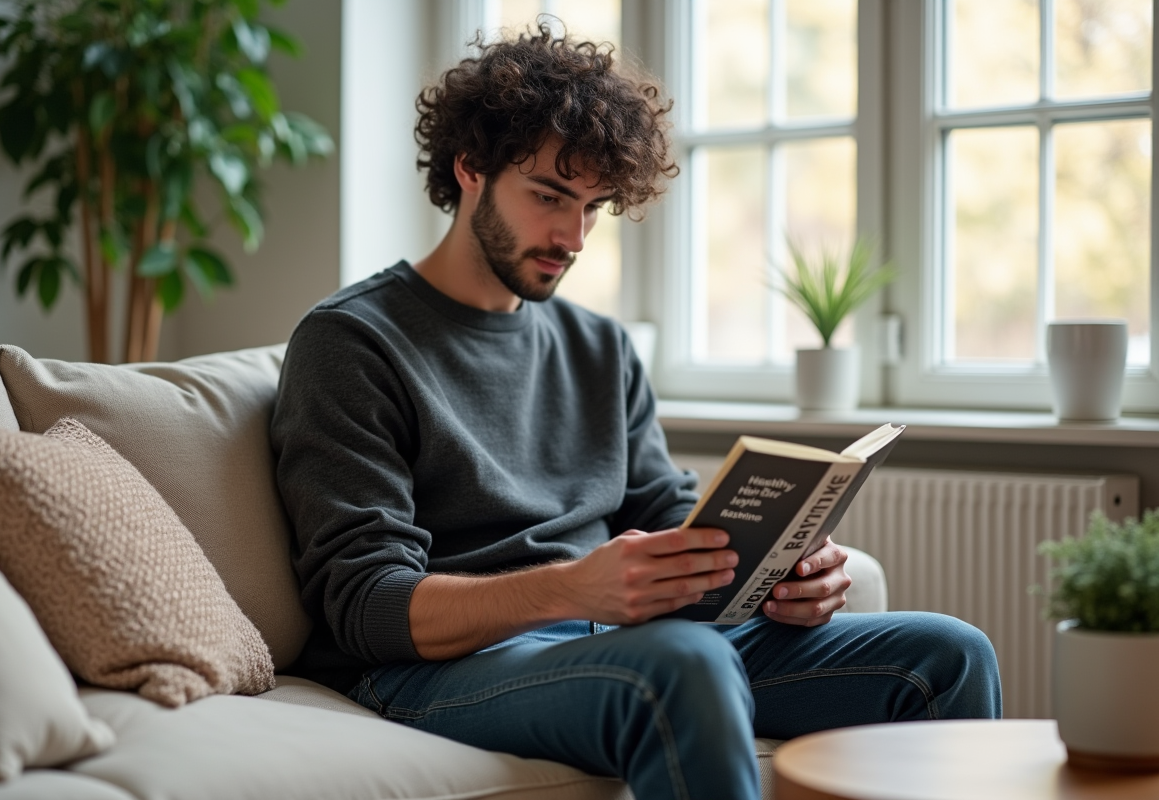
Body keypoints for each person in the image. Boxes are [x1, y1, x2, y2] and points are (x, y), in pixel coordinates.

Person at [271, 25, 1001, 800]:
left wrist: (784, 569)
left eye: (593, 207)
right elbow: (366, 605)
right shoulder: (351, 342)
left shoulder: (599, 347)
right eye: (549, 197)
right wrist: (570, 590)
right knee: (686, 664)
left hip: (614, 640)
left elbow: (666, 510)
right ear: (470, 169)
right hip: (437, 668)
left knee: (950, 655)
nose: (572, 236)